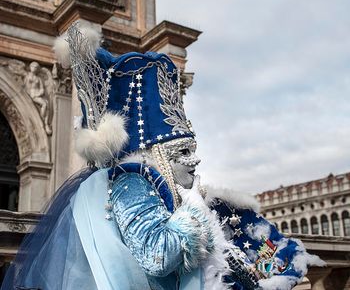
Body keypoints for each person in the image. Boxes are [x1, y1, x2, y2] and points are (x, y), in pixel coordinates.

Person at [1, 23, 323, 290]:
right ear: (159, 155)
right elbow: (156, 254)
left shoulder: (163, 187)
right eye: (183, 152)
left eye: (193, 150)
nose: (194, 160)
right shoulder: (131, 184)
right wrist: (199, 216)